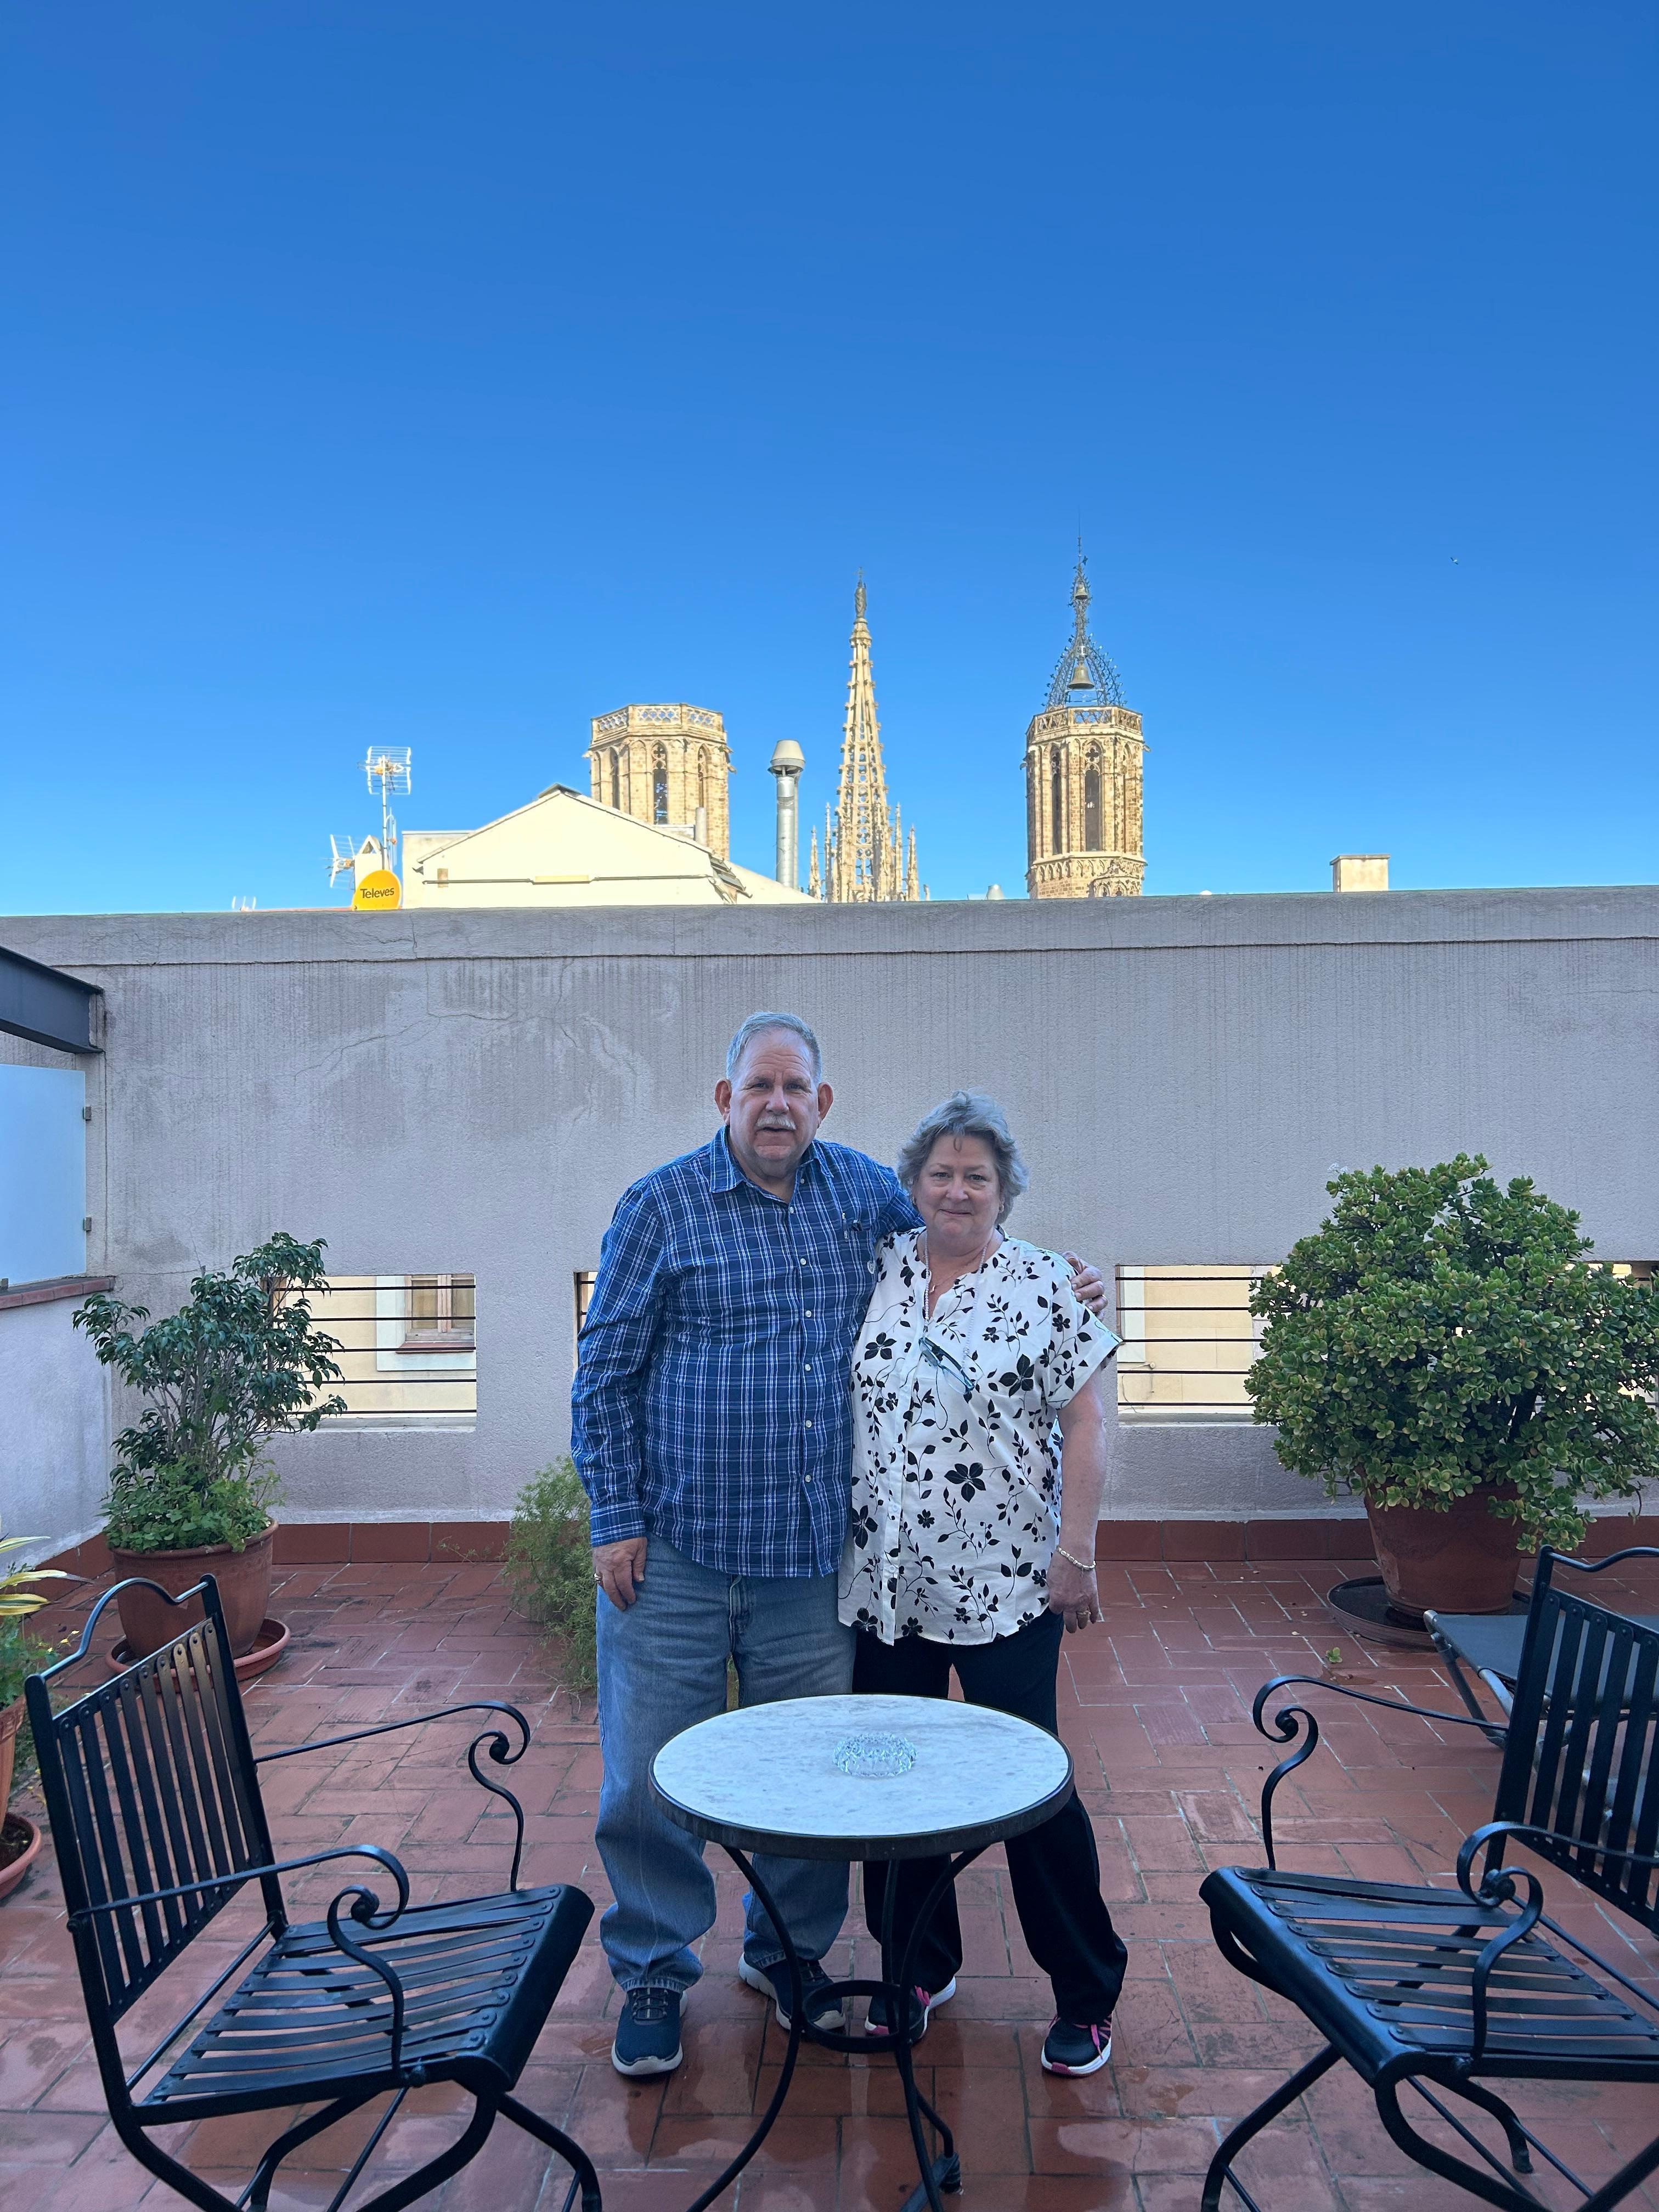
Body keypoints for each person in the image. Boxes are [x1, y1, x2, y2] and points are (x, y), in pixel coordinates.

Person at [572, 1013, 1108, 2079]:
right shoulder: (659, 1207)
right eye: (759, 1085)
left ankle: (789, 1956)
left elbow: (987, 1255)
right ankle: (653, 1971)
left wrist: (1070, 1281)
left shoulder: (861, 1194)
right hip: (681, 1552)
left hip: (817, 1568)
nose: (779, 1104)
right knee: (644, 1779)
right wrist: (615, 1517)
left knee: (808, 1779)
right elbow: (605, 1370)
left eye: (798, 1087)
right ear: (726, 1098)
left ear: (825, 1102)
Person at [840, 1089, 1129, 2077]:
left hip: (1005, 1584)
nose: (957, 1190)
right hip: (885, 1584)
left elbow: (1087, 1424)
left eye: (977, 1176)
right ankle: (919, 1968)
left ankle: (1088, 1991)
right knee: (896, 1782)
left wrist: (1077, 1551)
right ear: (913, 1185)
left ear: (1004, 1190)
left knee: (1029, 1787)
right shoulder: (876, 1268)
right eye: (940, 1173)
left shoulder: (1050, 1284)